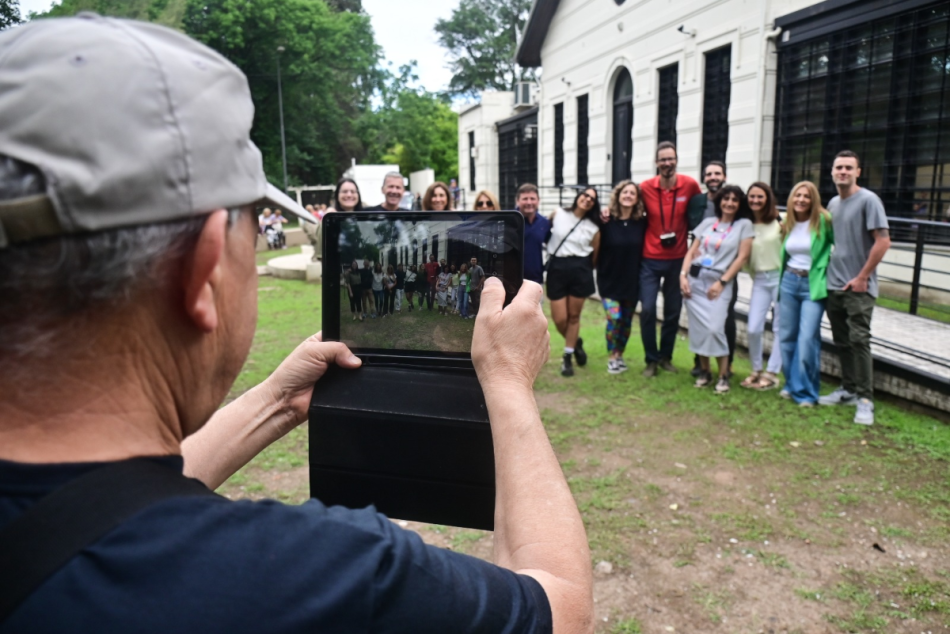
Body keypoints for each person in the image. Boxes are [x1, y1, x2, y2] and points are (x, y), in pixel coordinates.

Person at [1, 18, 594, 632]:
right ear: (203, 271)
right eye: (248, 226)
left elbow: (101, 497)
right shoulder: (320, 576)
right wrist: (506, 382)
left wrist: (278, 402)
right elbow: (563, 609)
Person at [818, 151, 891, 425]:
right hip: (834, 285)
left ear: (858, 171)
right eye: (839, 167)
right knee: (843, 341)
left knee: (859, 340)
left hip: (858, 288)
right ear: (832, 171)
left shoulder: (869, 200)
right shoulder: (834, 203)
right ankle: (847, 390)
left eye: (849, 167)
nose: (843, 171)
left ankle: (865, 399)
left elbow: (883, 241)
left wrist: (862, 277)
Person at [680, 185, 754, 393]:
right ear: (719, 201)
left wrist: (722, 282)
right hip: (695, 281)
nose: (729, 203)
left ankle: (723, 374)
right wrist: (682, 276)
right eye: (726, 199)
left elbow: (742, 257)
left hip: (719, 283)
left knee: (715, 328)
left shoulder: (744, 225)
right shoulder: (707, 223)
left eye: (735, 200)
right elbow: (691, 252)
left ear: (739, 204)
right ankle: (705, 371)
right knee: (699, 329)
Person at [639, 142, 702, 377]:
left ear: (676, 160)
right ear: (657, 163)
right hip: (650, 259)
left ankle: (666, 357)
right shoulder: (645, 187)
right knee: (646, 309)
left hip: (678, 259)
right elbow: (627, 205)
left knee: (673, 311)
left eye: (671, 159)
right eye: (663, 159)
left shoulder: (690, 185)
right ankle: (650, 360)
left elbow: (702, 212)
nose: (667, 163)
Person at [778, 181, 834, 407]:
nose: (801, 200)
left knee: (807, 337)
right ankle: (791, 384)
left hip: (812, 283)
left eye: (806, 196)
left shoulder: (824, 221)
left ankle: (807, 393)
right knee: (787, 336)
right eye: (797, 195)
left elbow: (839, 247)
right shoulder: (787, 223)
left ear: (814, 200)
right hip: (789, 281)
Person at [686, 161, 735, 377]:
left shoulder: (733, 202)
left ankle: (727, 365)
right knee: (699, 320)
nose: (713, 177)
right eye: (709, 174)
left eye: (717, 173)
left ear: (724, 176)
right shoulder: (697, 202)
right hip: (699, 269)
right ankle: (701, 363)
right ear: (704, 178)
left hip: (723, 272)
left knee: (724, 319)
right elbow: (688, 226)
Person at [547, 188, 601, 377]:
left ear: (594, 205)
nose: (587, 200)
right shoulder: (558, 213)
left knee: (574, 316)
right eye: (585, 195)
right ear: (579, 196)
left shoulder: (593, 227)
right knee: (560, 318)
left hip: (580, 269)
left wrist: (583, 268)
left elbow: (595, 254)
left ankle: (568, 356)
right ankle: (576, 342)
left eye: (592, 199)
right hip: (557, 267)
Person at [597, 180, 646, 375]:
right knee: (614, 318)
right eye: (625, 192)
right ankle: (611, 357)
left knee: (626, 322)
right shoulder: (606, 221)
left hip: (632, 282)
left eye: (632, 193)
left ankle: (620, 355)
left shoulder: (642, 223)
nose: (628, 196)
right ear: (618, 195)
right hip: (609, 280)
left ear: (637, 199)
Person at [740, 182, 784, 390]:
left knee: (779, 328)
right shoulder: (745, 224)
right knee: (753, 327)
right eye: (752, 197)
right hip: (759, 279)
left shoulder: (779, 221)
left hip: (780, 278)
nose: (755, 201)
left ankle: (772, 372)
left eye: (760, 197)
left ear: (768, 198)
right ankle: (756, 369)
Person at [315, 178, 363, 260]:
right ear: (337, 195)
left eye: (353, 191)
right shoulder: (329, 219)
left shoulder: (366, 218)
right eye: (344, 191)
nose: (349, 195)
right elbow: (321, 255)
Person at [515, 184, 551, 289]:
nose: (529, 202)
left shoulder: (544, 223)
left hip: (536, 281)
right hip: (512, 280)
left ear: (538, 201)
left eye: (532, 199)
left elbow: (552, 245)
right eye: (525, 199)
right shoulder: (510, 220)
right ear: (518, 201)